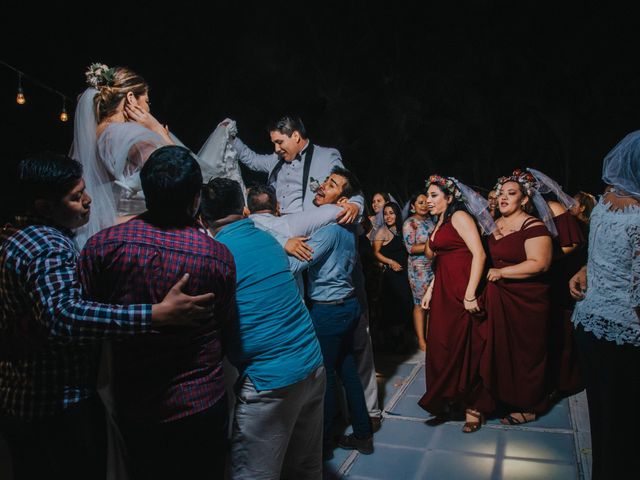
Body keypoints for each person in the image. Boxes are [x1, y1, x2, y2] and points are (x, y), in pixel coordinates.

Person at [0, 151, 215, 480]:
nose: (88, 201)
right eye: (76, 197)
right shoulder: (48, 247)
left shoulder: (22, 237)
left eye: (83, 190)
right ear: (44, 207)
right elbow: (63, 317)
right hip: (56, 403)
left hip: (21, 395)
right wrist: (154, 315)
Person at [78, 146, 236, 480]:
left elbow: (86, 315)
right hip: (200, 400)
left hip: (136, 402)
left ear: (147, 193)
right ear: (196, 198)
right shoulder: (217, 256)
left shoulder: (104, 246)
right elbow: (223, 322)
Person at [198, 177, 326, 479]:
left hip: (271, 380)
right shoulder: (268, 240)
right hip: (312, 364)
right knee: (305, 469)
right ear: (244, 210)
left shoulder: (215, 254)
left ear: (202, 219)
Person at [70, 62, 239, 249]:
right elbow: (183, 175)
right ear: (131, 98)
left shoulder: (96, 134)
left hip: (105, 229)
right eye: (147, 101)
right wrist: (157, 129)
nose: (148, 108)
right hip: (142, 235)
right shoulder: (127, 134)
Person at [287, 167, 374, 460]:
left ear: (343, 201)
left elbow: (294, 266)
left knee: (322, 380)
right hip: (348, 306)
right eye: (326, 180)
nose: (323, 186)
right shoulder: (349, 227)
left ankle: (321, 446)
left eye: (332, 184)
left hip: (328, 312)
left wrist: (283, 241)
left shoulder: (329, 230)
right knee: (347, 371)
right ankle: (363, 434)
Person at [569, 130, 640, 479]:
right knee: (627, 434)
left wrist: (583, 270)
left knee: (605, 425)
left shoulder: (605, 204)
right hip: (625, 336)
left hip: (589, 325)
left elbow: (604, 258)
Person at [418, 175, 496, 433]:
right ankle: (448, 397)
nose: (428, 201)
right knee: (442, 346)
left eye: (434, 195)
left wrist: (471, 293)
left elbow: (480, 254)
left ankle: (473, 407)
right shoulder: (439, 222)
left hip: (463, 290)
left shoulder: (460, 217)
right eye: (427, 196)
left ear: (449, 198)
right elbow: (439, 260)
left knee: (467, 348)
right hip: (443, 291)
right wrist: (430, 288)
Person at [479, 170, 554, 426]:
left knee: (526, 353)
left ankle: (529, 405)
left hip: (526, 299)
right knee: (498, 349)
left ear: (524, 199)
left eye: (511, 194)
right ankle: (498, 397)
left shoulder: (534, 226)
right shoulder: (493, 223)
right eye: (501, 193)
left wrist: (503, 272)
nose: (503, 198)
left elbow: (540, 263)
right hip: (497, 296)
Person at [227, 114, 363, 222]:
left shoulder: (326, 156)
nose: (276, 149)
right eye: (274, 143)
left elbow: (350, 186)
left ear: (296, 136)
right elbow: (252, 160)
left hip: (305, 229)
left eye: (279, 142)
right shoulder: (276, 159)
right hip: (276, 223)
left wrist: (355, 205)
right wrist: (229, 137)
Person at [527, 167, 586, 398]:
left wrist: (548, 257)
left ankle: (564, 380)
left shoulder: (554, 207)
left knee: (560, 326)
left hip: (560, 272)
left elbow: (573, 242)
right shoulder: (526, 209)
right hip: (539, 274)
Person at [372, 201, 413, 353]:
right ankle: (394, 343)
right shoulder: (381, 231)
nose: (388, 216)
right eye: (386, 213)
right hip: (392, 275)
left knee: (406, 303)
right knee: (394, 306)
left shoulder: (403, 230)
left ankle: (404, 339)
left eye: (391, 213)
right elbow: (375, 252)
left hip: (406, 272)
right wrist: (390, 262)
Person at [402, 190, 436, 352]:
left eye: (426, 202)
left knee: (433, 304)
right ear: (413, 206)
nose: (424, 205)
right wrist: (432, 246)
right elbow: (410, 248)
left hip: (434, 267)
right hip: (419, 269)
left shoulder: (432, 221)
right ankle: (422, 342)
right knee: (420, 305)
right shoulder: (410, 223)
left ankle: (431, 337)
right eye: (420, 202)